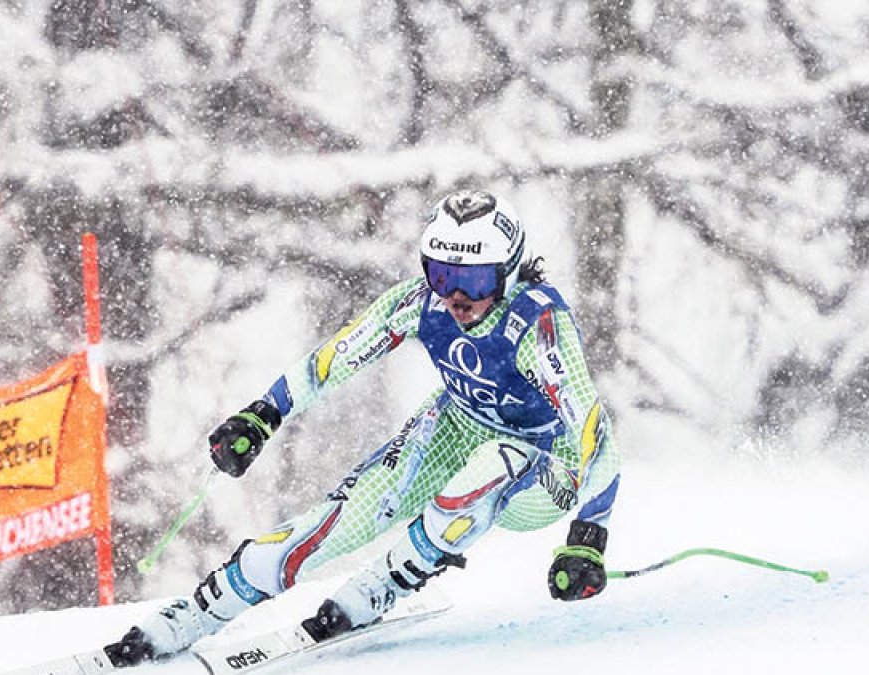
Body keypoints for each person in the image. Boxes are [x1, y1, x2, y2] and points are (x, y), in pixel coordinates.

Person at [104, 189, 622, 666]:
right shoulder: (419, 304)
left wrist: (588, 534)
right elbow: (336, 359)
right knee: (344, 515)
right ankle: (191, 616)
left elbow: (594, 434)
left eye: (473, 281)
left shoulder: (537, 324)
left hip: (547, 463)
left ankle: (386, 581)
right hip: (460, 424)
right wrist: (263, 414)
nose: (454, 297)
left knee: (490, 467)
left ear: (507, 273)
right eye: (441, 275)